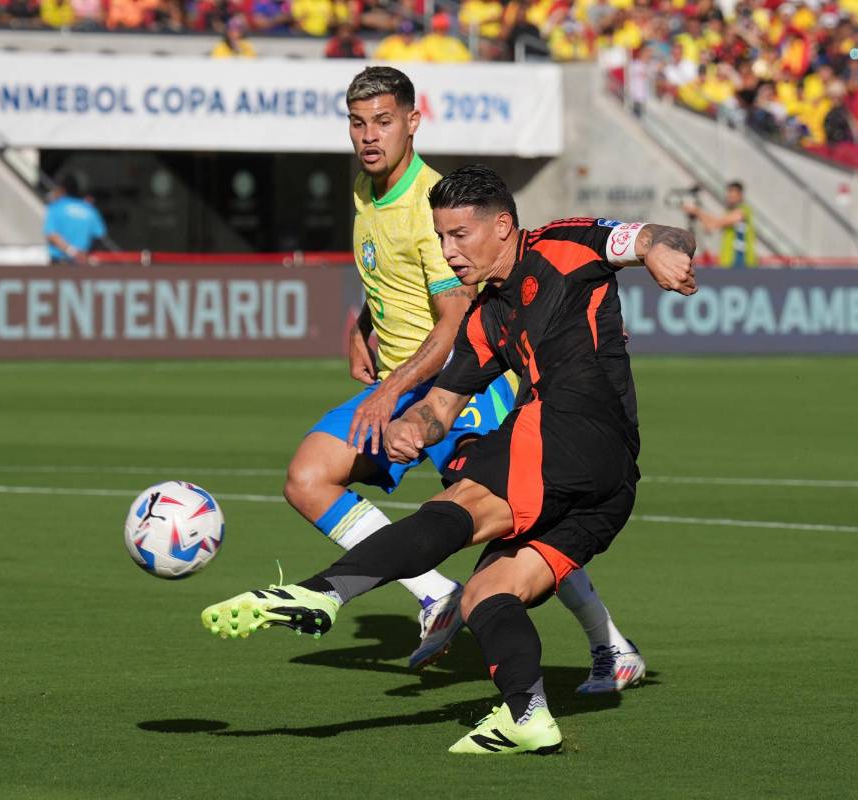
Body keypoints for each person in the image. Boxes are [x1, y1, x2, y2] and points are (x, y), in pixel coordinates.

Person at [201, 164, 698, 754]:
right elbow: (442, 405)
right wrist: (410, 427)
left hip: (573, 429)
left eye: (460, 234)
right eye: (441, 236)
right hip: (610, 487)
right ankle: (528, 715)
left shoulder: (563, 244)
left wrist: (663, 252)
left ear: (503, 226)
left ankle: (323, 592)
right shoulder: (485, 319)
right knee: (487, 593)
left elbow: (657, 235)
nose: (448, 250)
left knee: (461, 502)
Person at [275, 67, 646, 690]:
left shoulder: (431, 205)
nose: (369, 136)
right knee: (308, 478)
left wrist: (391, 393)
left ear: (412, 122)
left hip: (452, 381)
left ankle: (608, 642)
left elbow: (454, 319)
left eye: (383, 122)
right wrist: (362, 323)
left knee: (509, 516)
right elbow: (392, 276)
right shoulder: (366, 187)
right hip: (404, 382)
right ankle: (432, 593)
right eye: (358, 123)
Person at [682, 180, 757, 268]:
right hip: (728, 262)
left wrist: (697, 211)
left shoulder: (744, 210)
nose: (730, 198)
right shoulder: (728, 212)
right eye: (729, 195)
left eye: (733, 196)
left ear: (740, 195)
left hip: (742, 262)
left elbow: (717, 223)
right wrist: (696, 213)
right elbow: (711, 225)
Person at [44, 174, 106, 265]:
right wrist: (85, 255)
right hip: (81, 264)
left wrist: (71, 251)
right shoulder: (90, 210)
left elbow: (51, 235)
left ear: (63, 189)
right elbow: (99, 236)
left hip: (59, 263)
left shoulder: (56, 207)